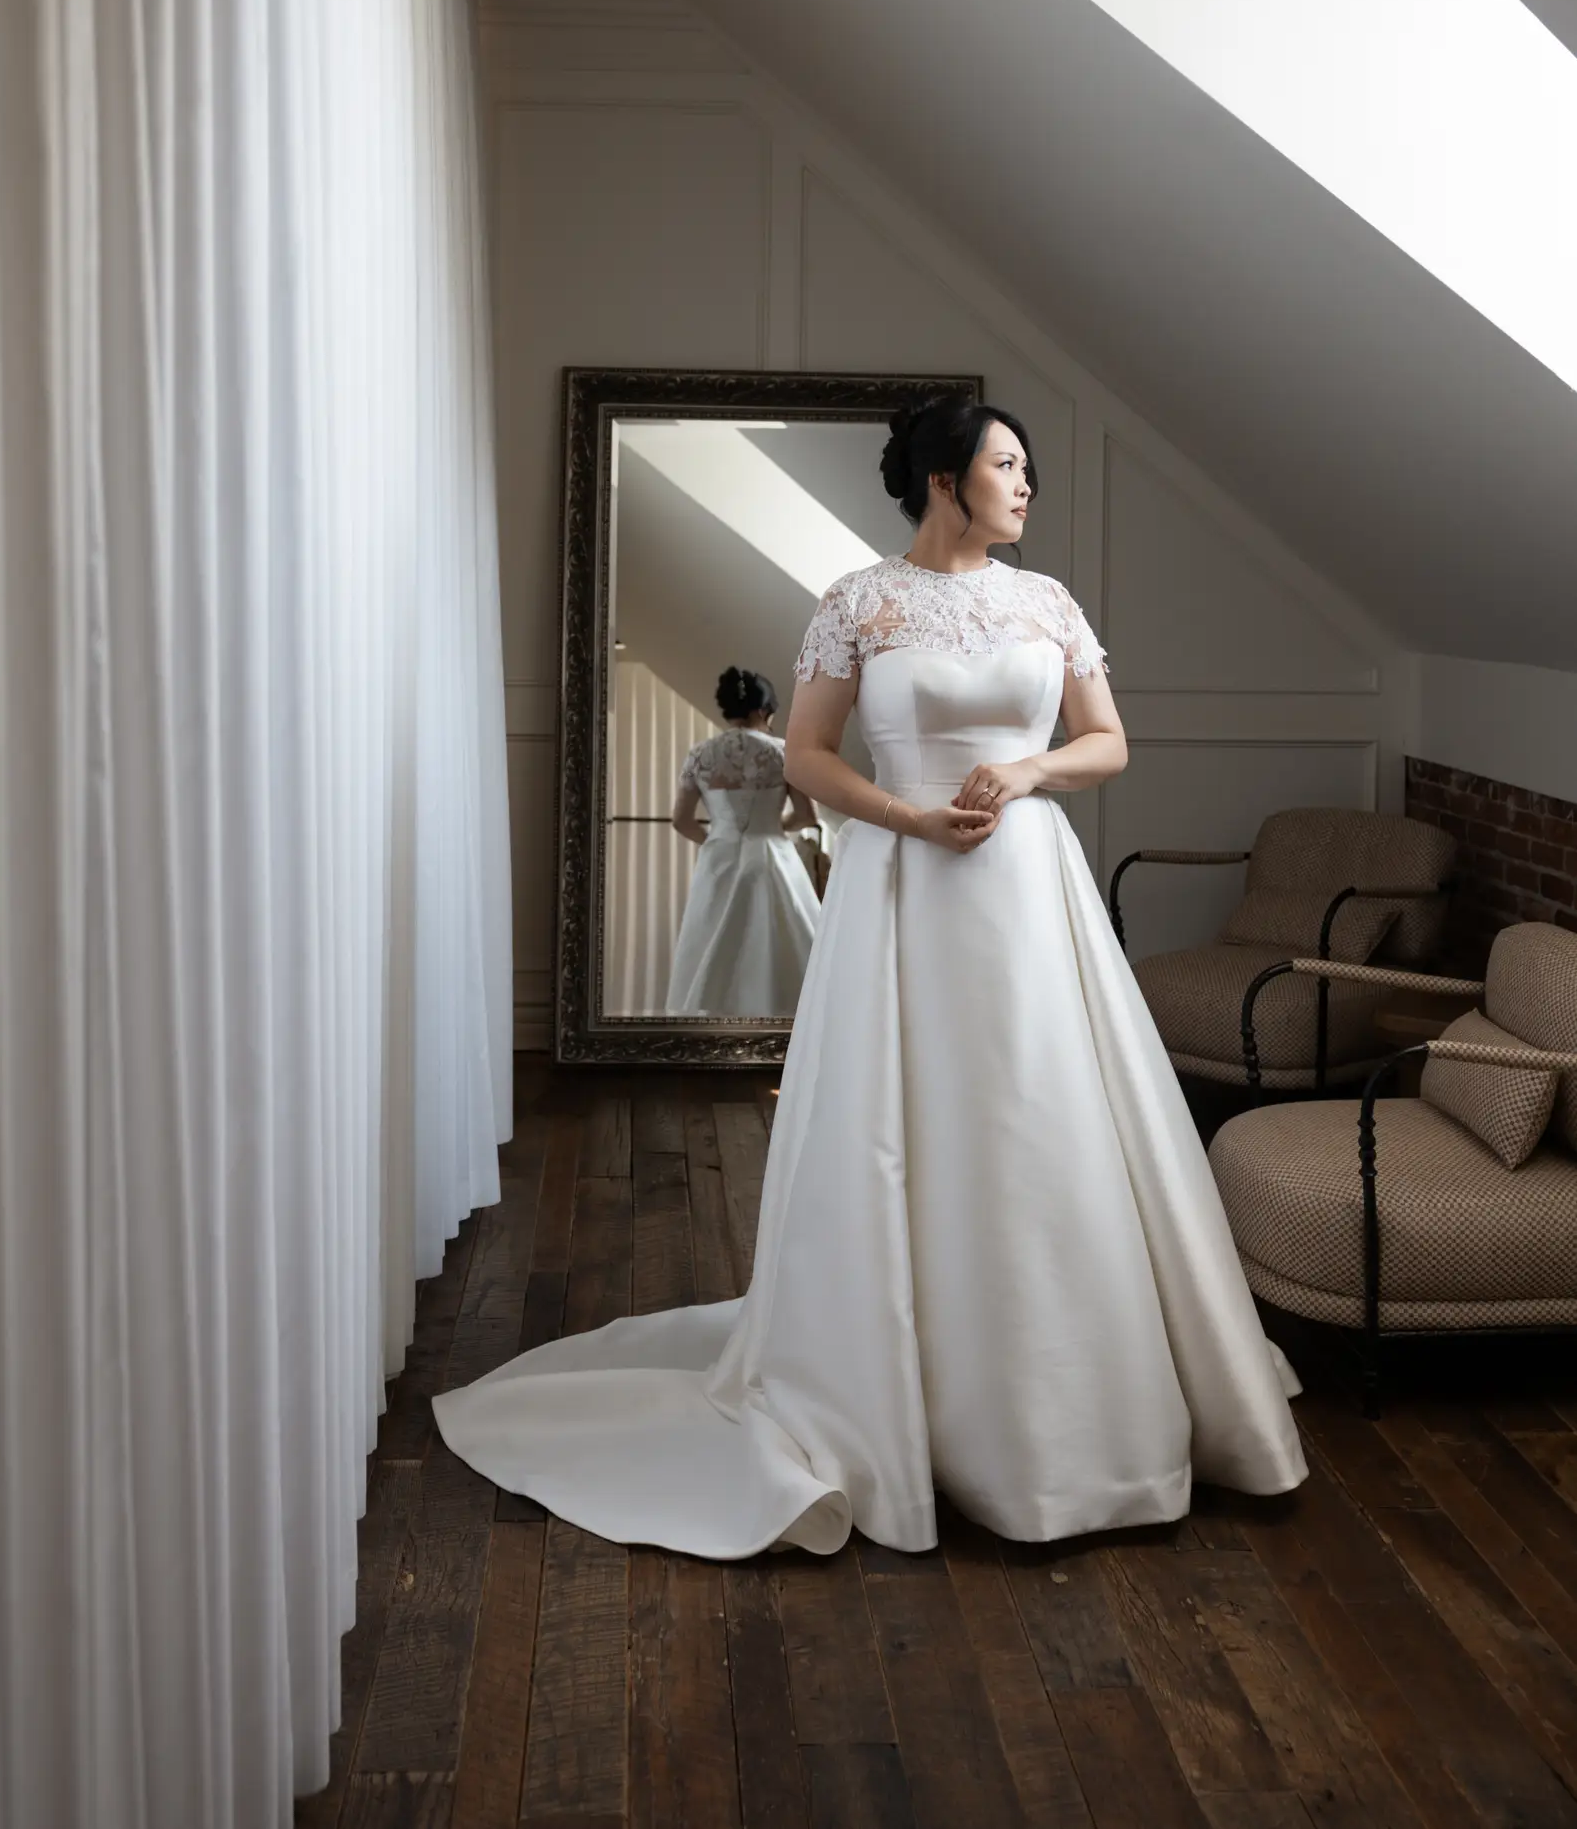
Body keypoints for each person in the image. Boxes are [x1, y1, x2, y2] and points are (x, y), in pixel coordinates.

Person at [432, 397, 1306, 1552]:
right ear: (945, 480)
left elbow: (1108, 741)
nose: (1026, 482)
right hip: (905, 884)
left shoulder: (1045, 601)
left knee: (1044, 1115)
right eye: (1006, 464)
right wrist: (907, 814)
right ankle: (894, 1387)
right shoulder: (857, 601)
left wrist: (1029, 773)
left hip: (1028, 887)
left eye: (1027, 465)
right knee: (910, 1123)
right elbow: (805, 754)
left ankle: (1070, 1401)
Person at [663, 668, 821, 1018]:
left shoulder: (701, 754)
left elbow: (682, 820)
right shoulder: (783, 752)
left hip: (719, 857)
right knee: (782, 941)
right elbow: (806, 816)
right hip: (771, 854)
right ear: (765, 711)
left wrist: (718, 838)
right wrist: (772, 827)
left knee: (712, 941)